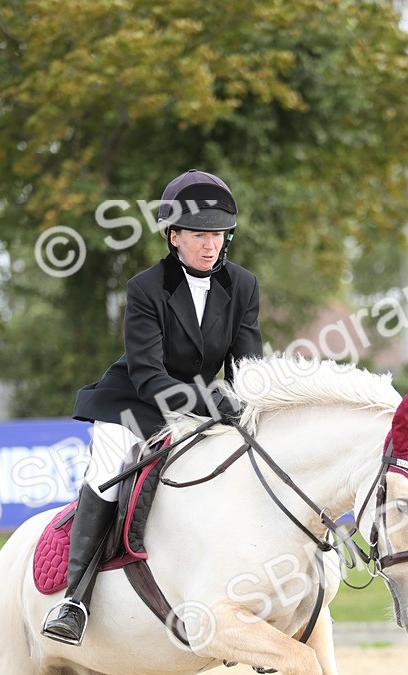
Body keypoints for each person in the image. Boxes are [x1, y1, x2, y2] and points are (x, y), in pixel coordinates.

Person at [42, 169, 262, 646]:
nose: (210, 245)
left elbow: (247, 368)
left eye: (218, 234)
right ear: (173, 236)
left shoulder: (242, 285)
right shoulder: (146, 287)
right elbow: (148, 375)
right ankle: (74, 600)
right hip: (136, 401)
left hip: (203, 406)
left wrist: (248, 401)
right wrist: (212, 401)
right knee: (107, 464)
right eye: (200, 234)